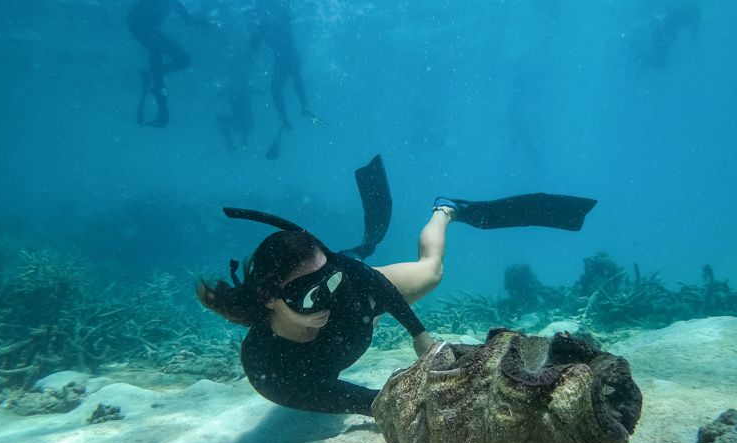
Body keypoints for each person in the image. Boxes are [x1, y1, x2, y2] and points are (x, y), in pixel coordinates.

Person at [197, 157, 597, 415]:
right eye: (306, 294)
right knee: (356, 268)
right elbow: (366, 402)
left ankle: (446, 210)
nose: (326, 299)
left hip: (364, 298)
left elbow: (366, 280)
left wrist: (417, 333)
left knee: (430, 271)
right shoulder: (269, 369)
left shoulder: (345, 285)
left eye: (328, 281)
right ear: (269, 299)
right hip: (343, 324)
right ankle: (362, 248)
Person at [250, 0, 317, 159]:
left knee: (279, 87)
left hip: (284, 59)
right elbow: (255, 44)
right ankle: (302, 108)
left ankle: (287, 117)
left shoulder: (268, 23)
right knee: (293, 79)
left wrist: (255, 42)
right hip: (289, 58)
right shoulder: (273, 21)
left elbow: (254, 45)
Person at [127, 0, 200, 127]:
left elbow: (189, 20)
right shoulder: (173, 3)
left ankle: (162, 110)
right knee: (181, 60)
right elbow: (189, 20)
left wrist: (203, 24)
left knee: (163, 64)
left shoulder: (175, 3)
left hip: (144, 28)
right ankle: (161, 106)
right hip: (144, 28)